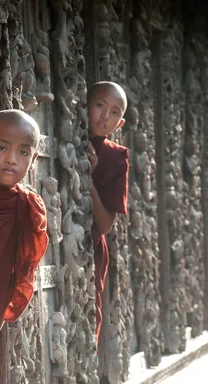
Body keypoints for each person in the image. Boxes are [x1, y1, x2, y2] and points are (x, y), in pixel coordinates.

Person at [0, 109, 49, 355]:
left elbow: (15, 279)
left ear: (33, 159)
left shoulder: (26, 205)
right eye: (2, 148)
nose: (12, 159)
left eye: (23, 152)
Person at [87, 81, 130, 342]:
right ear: (86, 105)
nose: (105, 116)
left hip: (89, 250)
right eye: (100, 105)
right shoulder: (65, 136)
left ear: (120, 124)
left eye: (115, 112)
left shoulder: (115, 157)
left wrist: (89, 180)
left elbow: (104, 226)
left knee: (87, 319)